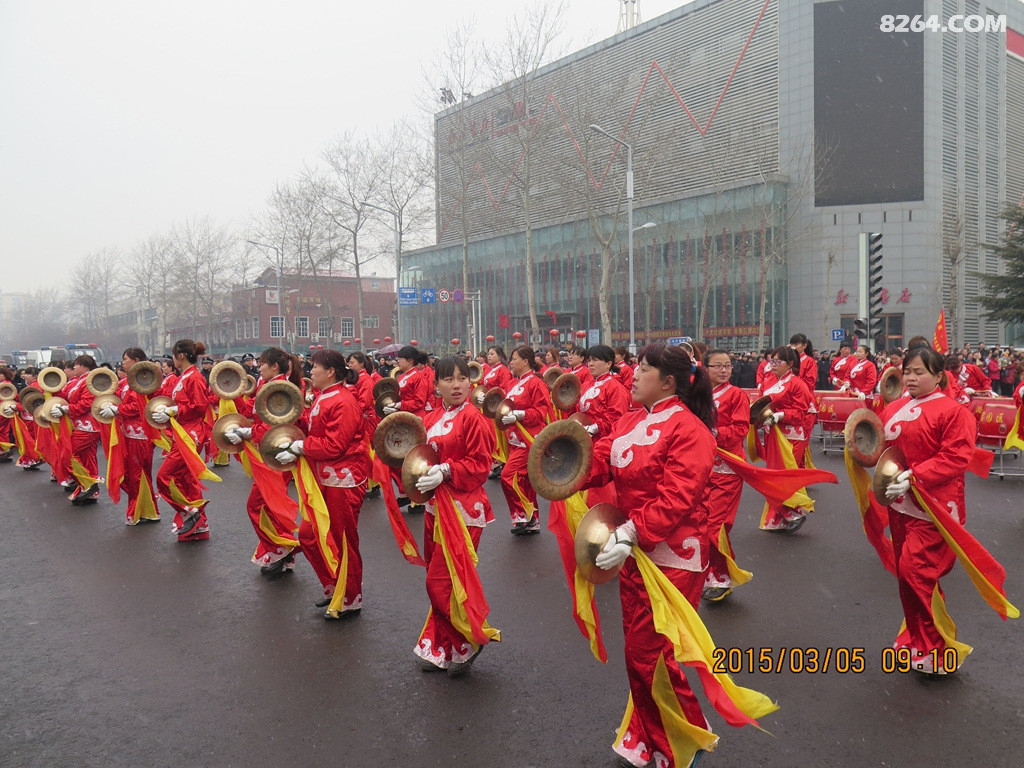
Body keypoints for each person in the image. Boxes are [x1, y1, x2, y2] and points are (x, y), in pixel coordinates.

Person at [580, 343, 730, 768]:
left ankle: (682, 740)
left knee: (651, 654)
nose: (633, 374)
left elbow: (678, 497)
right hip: (632, 551)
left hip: (672, 555)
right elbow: (601, 459)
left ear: (668, 382)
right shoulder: (631, 420)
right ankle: (654, 732)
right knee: (642, 651)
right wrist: (561, 463)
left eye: (643, 369)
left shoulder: (690, 429)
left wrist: (631, 531)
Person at [878, 347, 991, 674]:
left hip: (934, 507)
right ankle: (917, 638)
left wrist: (914, 476)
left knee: (917, 571)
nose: (911, 378)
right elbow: (884, 450)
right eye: (908, 372)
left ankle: (938, 649)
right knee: (906, 574)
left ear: (939, 375)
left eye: (919, 372)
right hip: (899, 504)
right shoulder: (895, 407)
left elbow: (956, 457)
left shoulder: (954, 412)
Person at [412, 355, 500, 675]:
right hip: (436, 506)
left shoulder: (473, 418)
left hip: (464, 509)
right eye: (449, 379)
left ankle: (468, 640)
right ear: (436, 386)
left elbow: (480, 466)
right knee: (439, 580)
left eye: (463, 378)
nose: (457, 384)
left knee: (441, 583)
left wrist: (447, 470)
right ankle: (441, 648)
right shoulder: (432, 416)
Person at [274, 349, 369, 619]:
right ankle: (334, 586)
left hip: (344, 479)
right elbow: (318, 433)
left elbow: (335, 445)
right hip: (324, 478)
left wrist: (301, 446)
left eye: (315, 367)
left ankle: (350, 597)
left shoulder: (343, 401)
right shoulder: (324, 396)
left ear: (331, 372)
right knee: (308, 535)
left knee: (342, 540)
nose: (311, 371)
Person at [226, 347, 302, 575]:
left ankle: (282, 547)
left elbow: (277, 426)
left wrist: (250, 433)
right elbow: (255, 411)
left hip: (276, 453)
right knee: (270, 505)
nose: (258, 368)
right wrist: (233, 393)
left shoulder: (281, 388)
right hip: (266, 453)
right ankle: (282, 551)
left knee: (259, 505)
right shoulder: (265, 385)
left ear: (274, 366)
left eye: (261, 365)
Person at [153, 340, 217, 542]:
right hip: (182, 432)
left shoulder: (194, 378)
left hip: (190, 434)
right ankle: (199, 526)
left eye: (173, 355)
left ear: (180, 356)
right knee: (185, 480)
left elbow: (199, 406)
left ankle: (191, 513)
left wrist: (174, 411)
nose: (171, 360)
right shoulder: (185, 377)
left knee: (164, 478)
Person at [703, 348, 750, 601]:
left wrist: (714, 433)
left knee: (716, 527)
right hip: (701, 469)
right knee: (700, 523)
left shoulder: (736, 395)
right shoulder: (698, 394)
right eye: (717, 366)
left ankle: (722, 578)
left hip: (727, 469)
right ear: (705, 368)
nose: (723, 370)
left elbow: (741, 428)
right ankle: (713, 572)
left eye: (727, 366)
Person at [756, 346, 815, 531]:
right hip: (773, 432)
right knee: (773, 475)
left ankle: (794, 512)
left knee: (785, 475)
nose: (772, 365)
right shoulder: (768, 380)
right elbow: (761, 404)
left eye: (777, 362)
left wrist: (781, 415)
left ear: (790, 364)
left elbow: (800, 412)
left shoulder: (798, 384)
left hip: (792, 435)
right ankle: (780, 516)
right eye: (770, 361)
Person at [104, 347, 161, 525]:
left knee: (138, 474)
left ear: (136, 361)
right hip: (127, 433)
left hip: (140, 434)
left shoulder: (145, 380)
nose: (123, 363)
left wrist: (117, 410)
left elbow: (139, 408)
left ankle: (139, 510)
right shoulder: (125, 382)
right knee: (128, 473)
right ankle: (147, 508)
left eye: (126, 359)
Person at [499, 345, 550, 535]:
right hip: (514, 439)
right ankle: (533, 520)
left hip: (529, 440)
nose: (511, 362)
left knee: (508, 476)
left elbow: (541, 412)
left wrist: (520, 414)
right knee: (525, 482)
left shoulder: (536, 383)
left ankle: (521, 515)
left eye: (514, 359)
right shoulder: (512, 383)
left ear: (525, 361)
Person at [52, 355, 103, 504]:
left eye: (76, 365)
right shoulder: (76, 382)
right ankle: (89, 490)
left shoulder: (89, 381)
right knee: (87, 459)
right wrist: (53, 387)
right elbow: (63, 396)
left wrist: (66, 409)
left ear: (85, 366)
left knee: (67, 455)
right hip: (78, 424)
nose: (73, 367)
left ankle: (89, 484)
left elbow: (87, 404)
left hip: (88, 427)